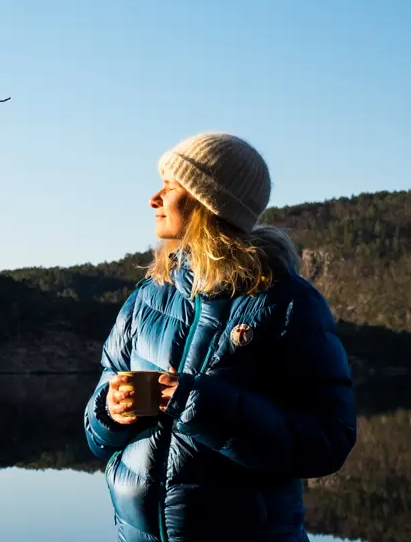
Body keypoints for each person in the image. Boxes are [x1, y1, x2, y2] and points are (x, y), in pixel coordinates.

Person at [84, 133, 356, 542]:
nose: (153, 199)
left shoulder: (288, 302)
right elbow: (96, 433)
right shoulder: (146, 297)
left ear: (207, 203)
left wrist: (198, 404)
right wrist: (111, 411)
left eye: (170, 186)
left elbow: (327, 442)